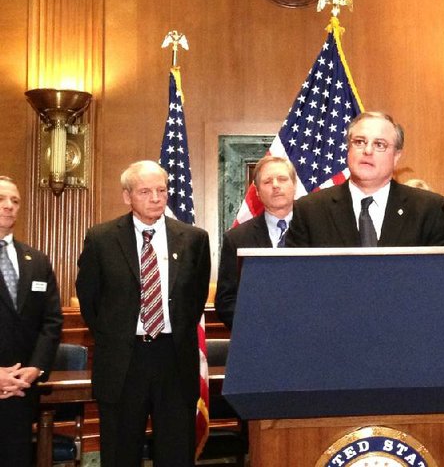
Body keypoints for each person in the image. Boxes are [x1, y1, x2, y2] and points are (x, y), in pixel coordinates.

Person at [76, 160, 210, 467]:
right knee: (121, 453)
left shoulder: (194, 239)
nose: (156, 198)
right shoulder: (101, 239)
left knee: (176, 452)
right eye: (145, 191)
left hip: (174, 359)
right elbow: (89, 299)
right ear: (127, 196)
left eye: (161, 190)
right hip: (123, 360)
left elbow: (195, 298)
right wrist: (117, 334)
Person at [286, 111, 444, 247]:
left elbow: (443, 278)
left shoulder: (427, 209)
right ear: (348, 149)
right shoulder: (309, 210)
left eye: (379, 145)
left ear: (396, 156)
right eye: (359, 142)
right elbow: (297, 280)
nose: (367, 151)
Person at [0, 176, 63, 467]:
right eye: (1, 199)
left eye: (15, 201)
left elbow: (51, 321)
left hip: (21, 387)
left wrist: (35, 367)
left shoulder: (36, 260)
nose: (9, 206)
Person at [215, 155, 297, 330]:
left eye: (282, 179)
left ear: (294, 186)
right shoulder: (237, 239)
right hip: (256, 339)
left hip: (310, 339)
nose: (276, 185)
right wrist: (256, 328)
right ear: (258, 193)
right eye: (267, 182)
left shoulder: (315, 229)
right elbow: (226, 300)